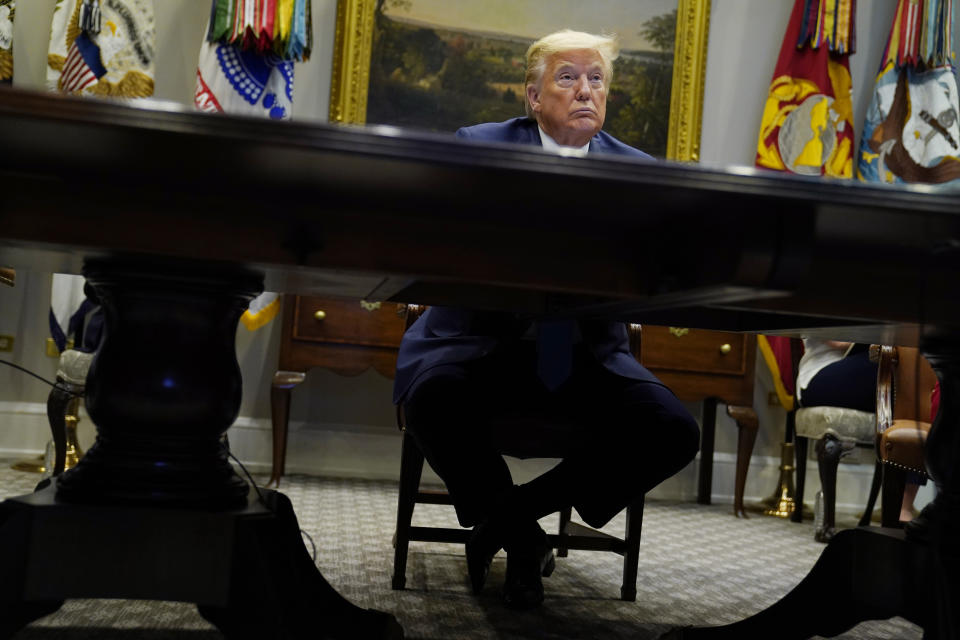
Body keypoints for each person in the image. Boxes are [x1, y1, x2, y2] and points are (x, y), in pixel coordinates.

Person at [393, 30, 700, 610]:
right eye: (568, 78)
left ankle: (509, 521)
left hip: (587, 356)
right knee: (431, 400)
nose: (585, 90)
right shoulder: (481, 147)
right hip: (482, 347)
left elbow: (654, 273)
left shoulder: (637, 172)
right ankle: (526, 541)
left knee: (674, 430)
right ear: (533, 96)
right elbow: (442, 247)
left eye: (596, 79)